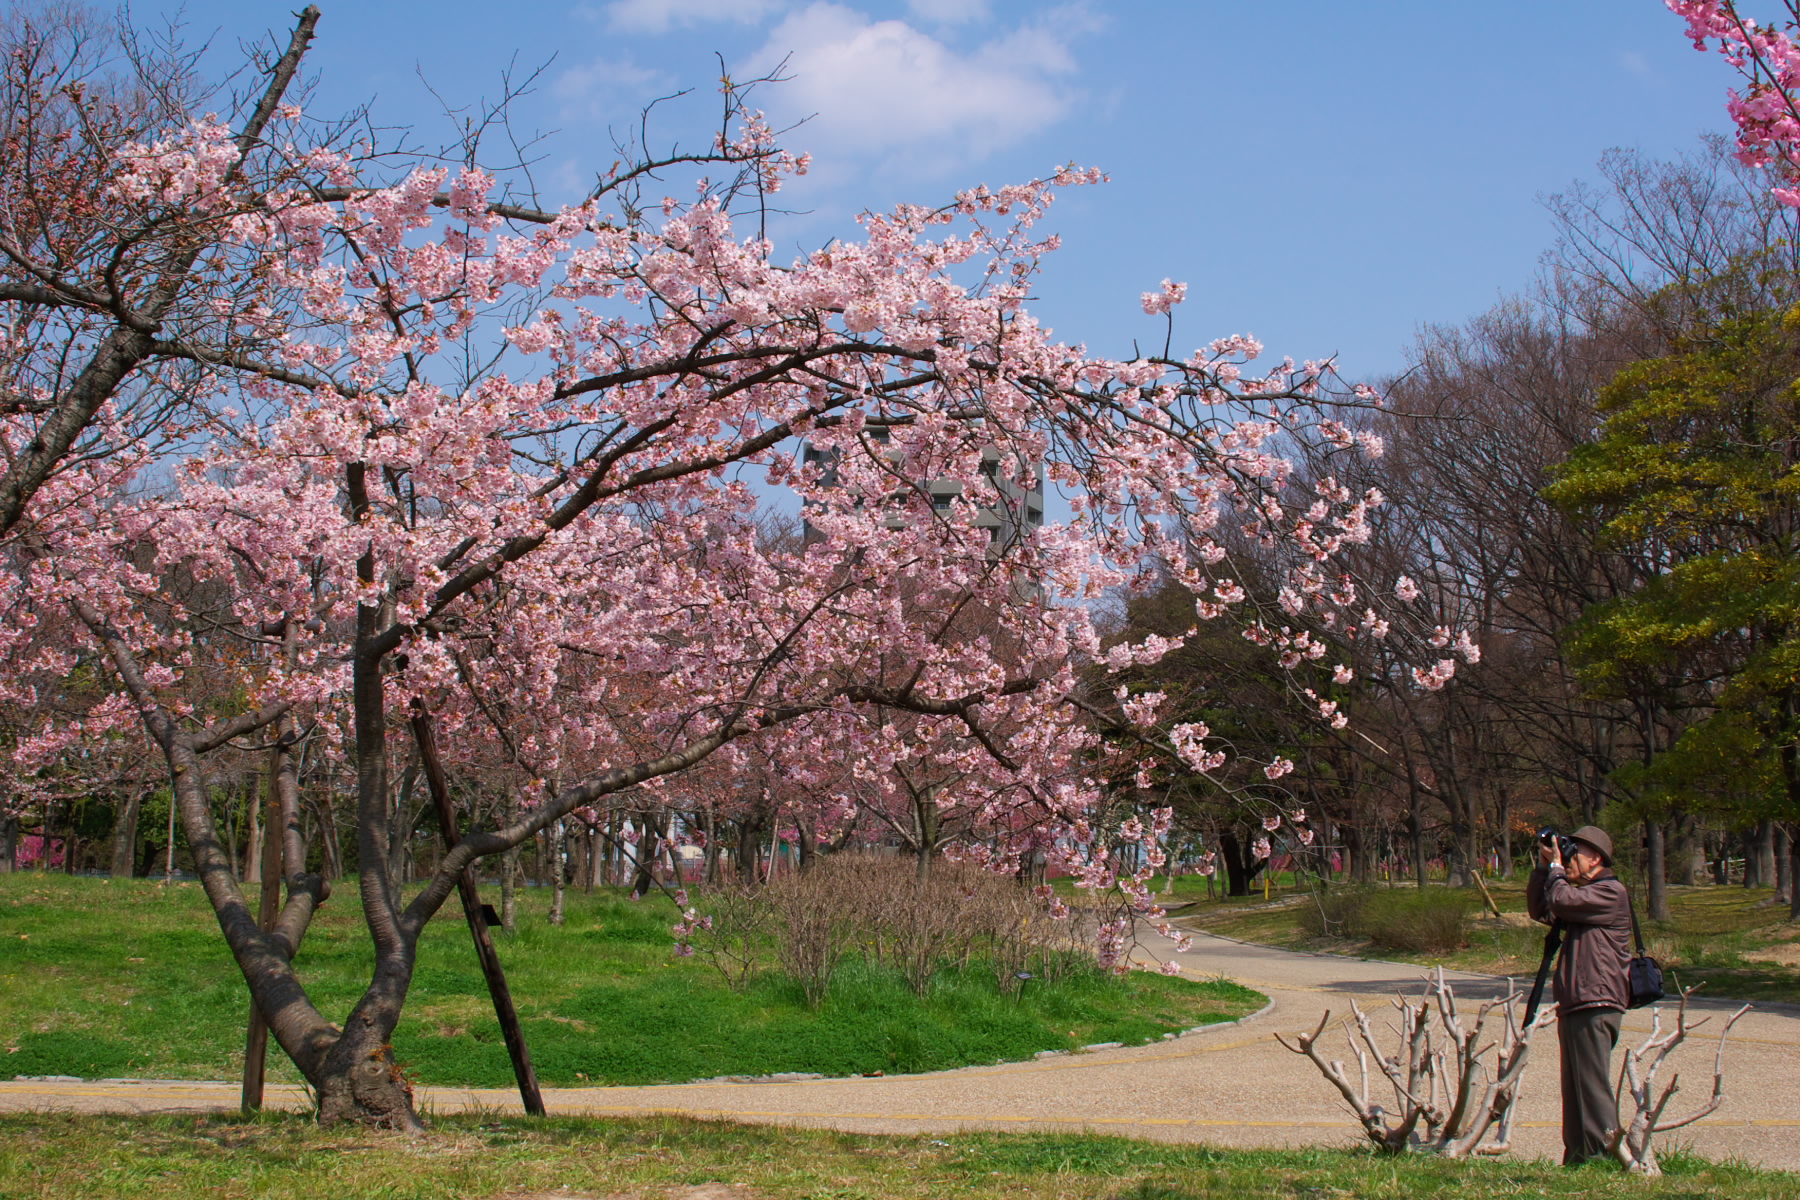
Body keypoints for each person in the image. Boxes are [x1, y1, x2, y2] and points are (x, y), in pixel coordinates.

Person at [1526, 824, 1633, 1166]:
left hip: (1597, 1000)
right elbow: (1542, 908)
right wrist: (1544, 867)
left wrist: (1556, 868)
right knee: (1574, 1087)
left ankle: (1607, 1157)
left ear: (1596, 858)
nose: (1569, 860)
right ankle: (1578, 1159)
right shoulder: (1582, 898)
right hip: (1577, 1000)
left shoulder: (1610, 892)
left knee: (1591, 1085)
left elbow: (1561, 899)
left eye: (1575, 853)